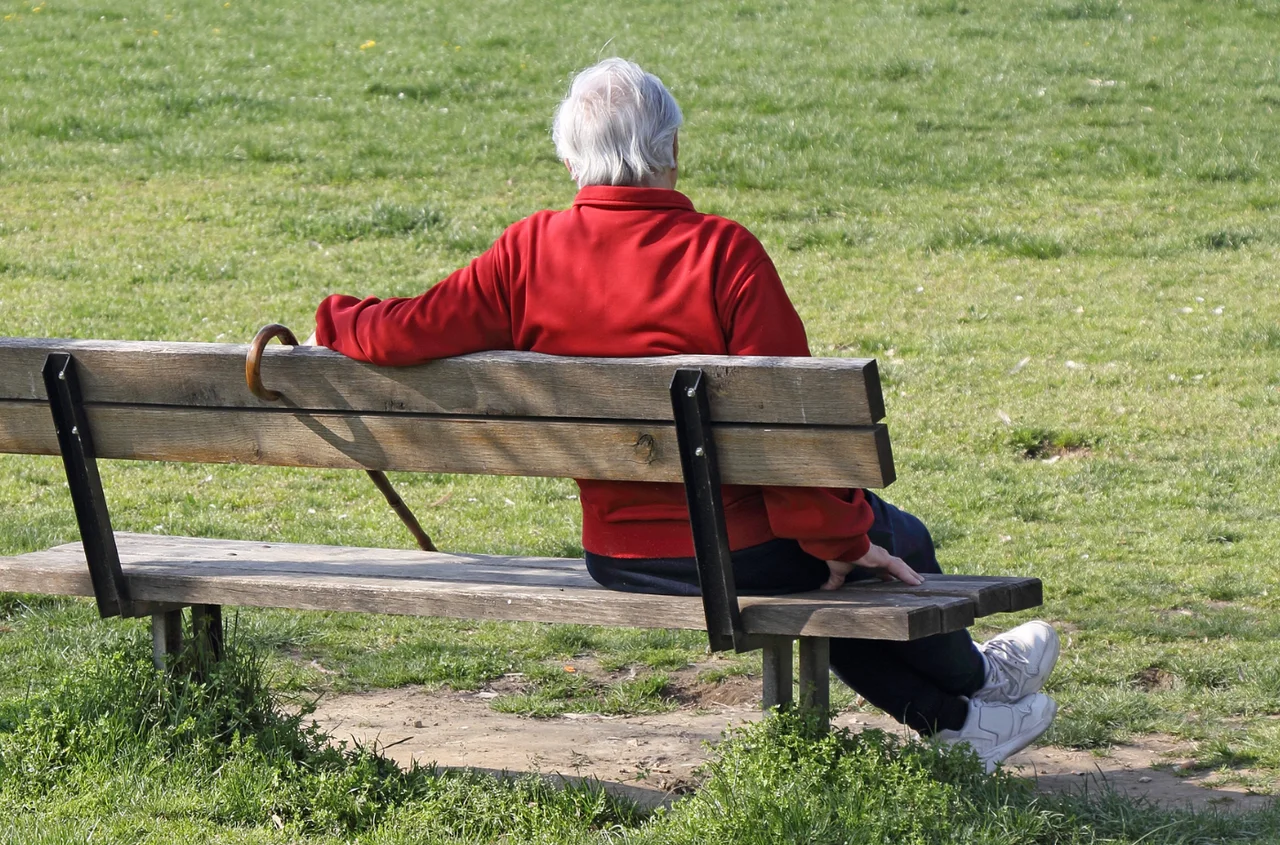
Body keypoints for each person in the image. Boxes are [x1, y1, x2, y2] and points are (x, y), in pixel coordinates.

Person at [308, 57, 1059, 773]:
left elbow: (404, 328)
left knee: (842, 569)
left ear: (572, 161)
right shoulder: (723, 255)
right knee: (886, 546)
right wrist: (841, 539)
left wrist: (332, 319)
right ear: (672, 152)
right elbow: (793, 441)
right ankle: (979, 682)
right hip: (748, 551)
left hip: (621, 559)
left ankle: (964, 722)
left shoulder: (528, 252)